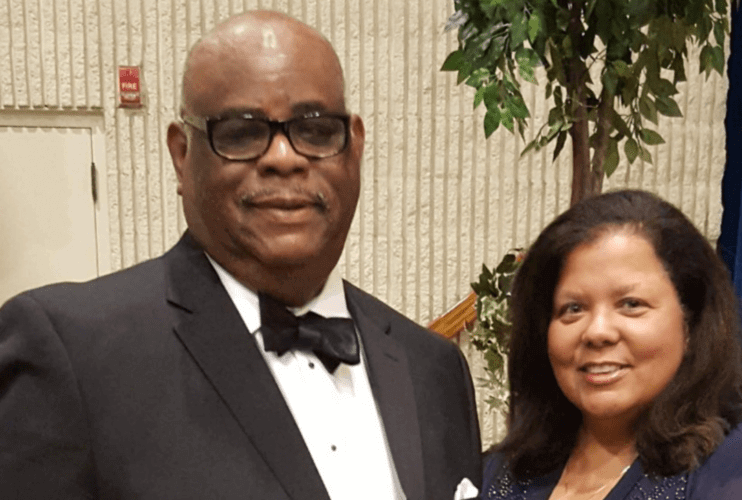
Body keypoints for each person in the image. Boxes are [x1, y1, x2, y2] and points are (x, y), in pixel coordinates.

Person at [0, 10, 481, 500]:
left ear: (353, 149)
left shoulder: (435, 369)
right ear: (182, 155)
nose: (283, 158)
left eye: (315, 130)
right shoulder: (74, 356)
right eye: (241, 132)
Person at [480, 189, 742, 499]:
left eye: (631, 304)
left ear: (691, 323)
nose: (597, 331)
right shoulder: (503, 472)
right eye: (572, 309)